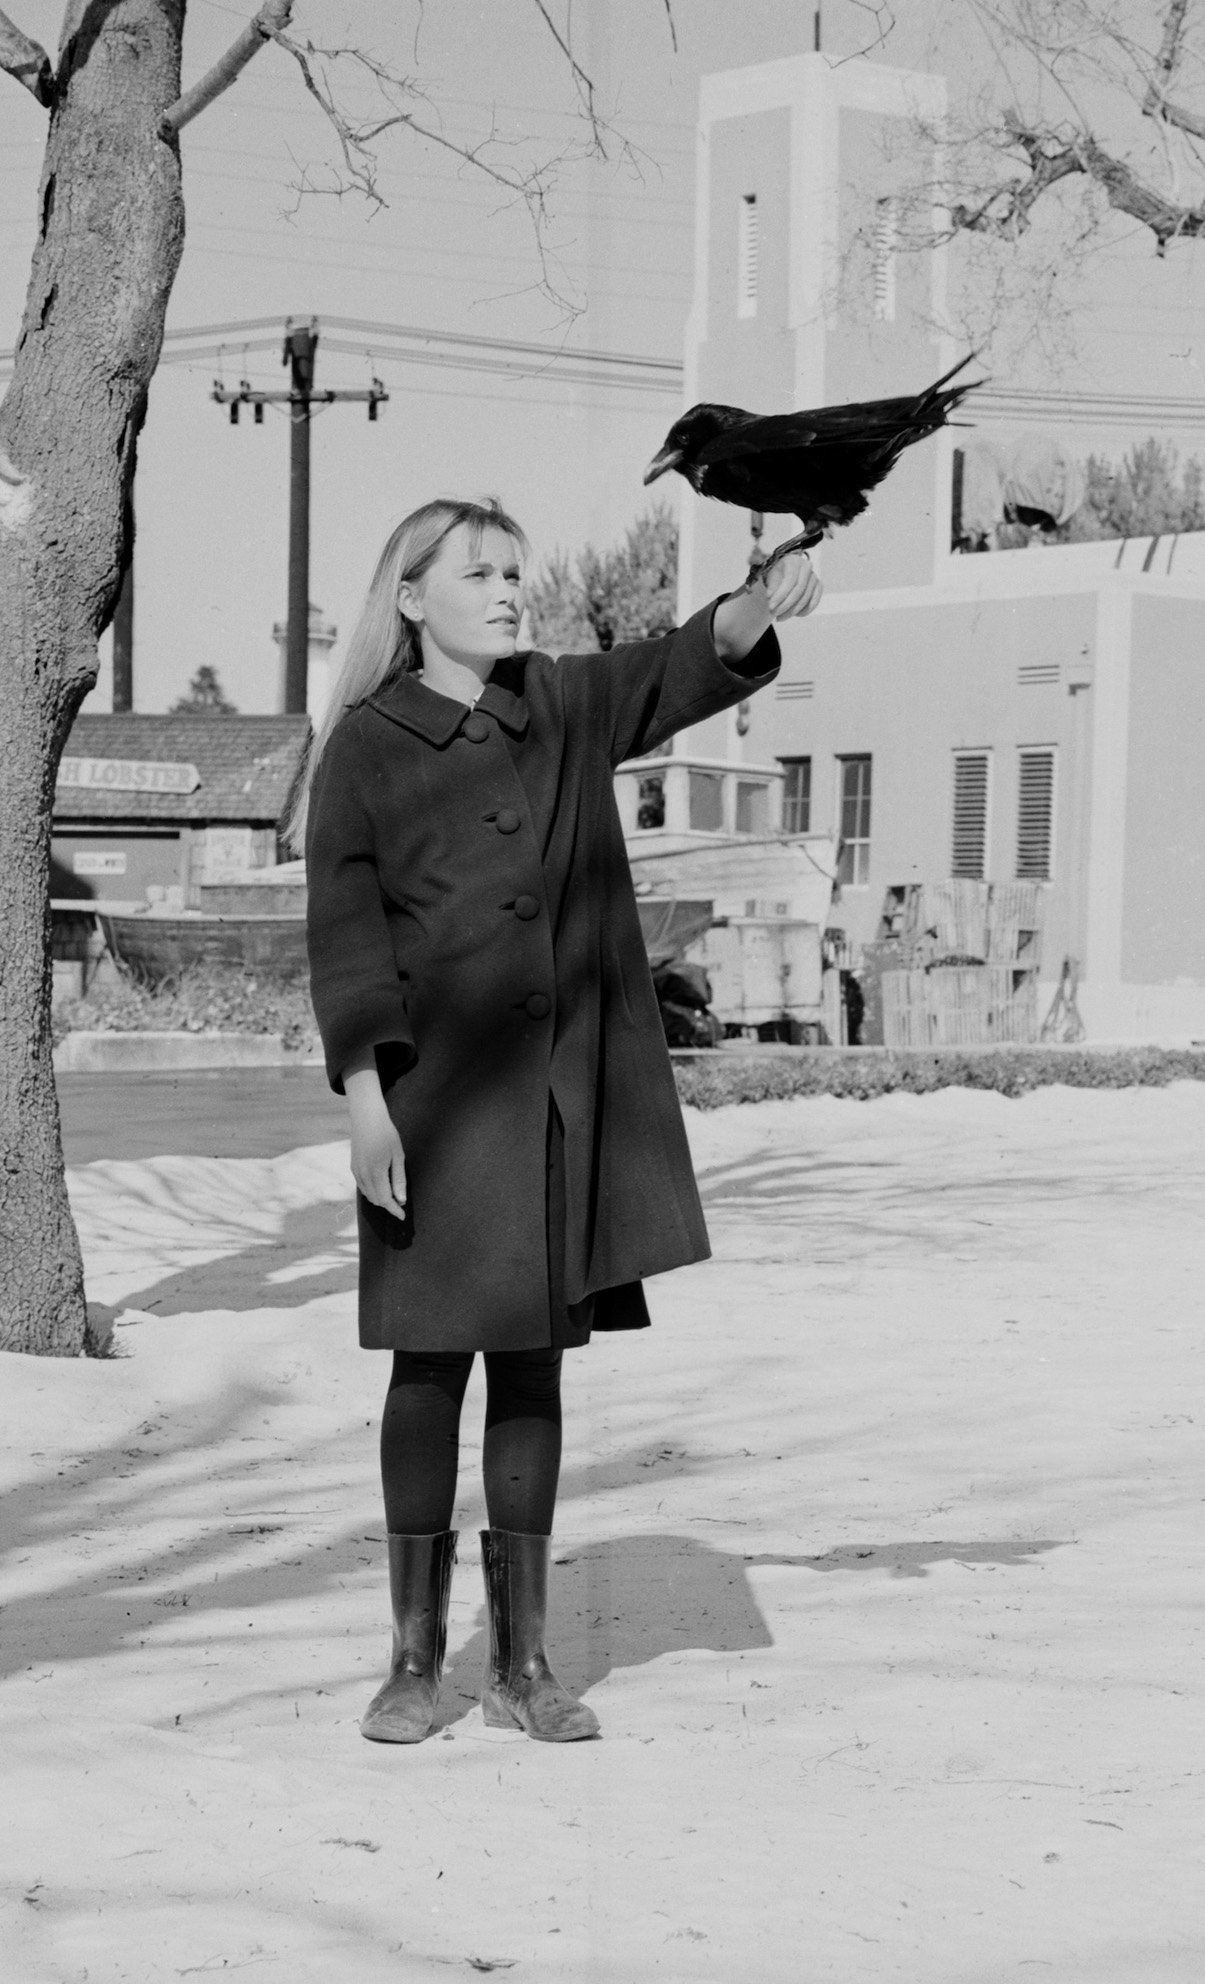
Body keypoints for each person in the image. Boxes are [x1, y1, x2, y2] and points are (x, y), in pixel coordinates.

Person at [304, 496, 821, 1744]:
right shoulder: (365, 746)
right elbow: (345, 934)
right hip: (428, 1108)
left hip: (552, 1106)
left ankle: (523, 1664)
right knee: (426, 1370)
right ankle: (415, 1660)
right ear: (411, 597)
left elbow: (673, 673)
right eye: (478, 573)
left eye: (516, 574)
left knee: (531, 1366)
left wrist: (755, 602)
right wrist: (367, 1102)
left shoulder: (562, 703)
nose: (507, 591)